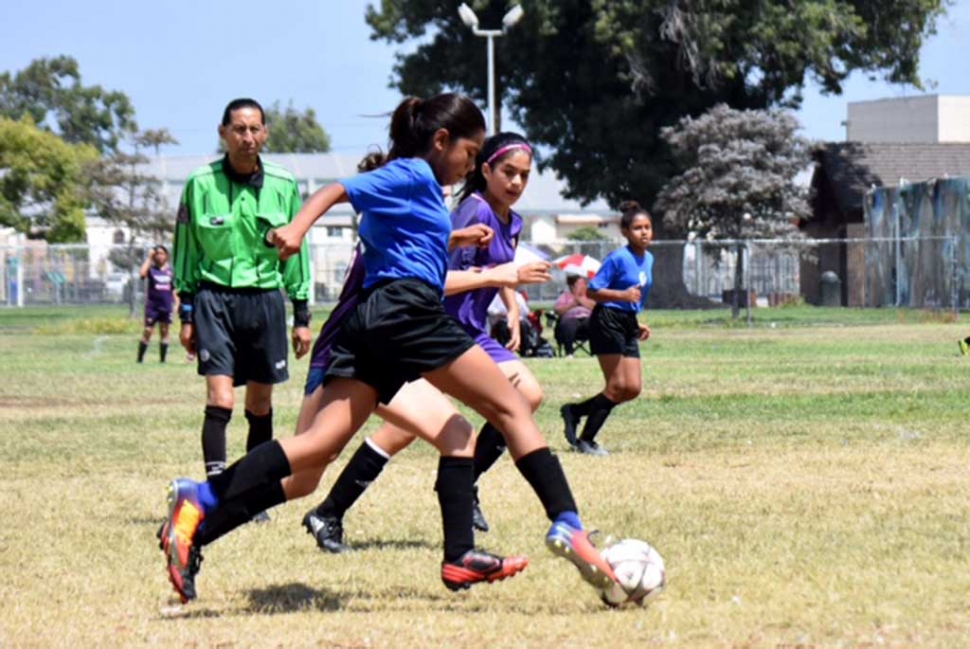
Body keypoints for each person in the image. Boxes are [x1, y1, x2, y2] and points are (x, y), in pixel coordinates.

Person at [158, 94, 616, 604]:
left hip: (377, 321)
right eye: (472, 151)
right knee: (512, 406)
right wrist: (296, 228)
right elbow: (337, 189)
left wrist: (454, 236)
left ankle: (199, 507)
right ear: (441, 141)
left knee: (328, 450)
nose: (472, 164)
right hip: (403, 313)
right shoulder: (414, 175)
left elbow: (405, 242)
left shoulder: (421, 192)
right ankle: (567, 523)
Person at [302, 132, 551, 551]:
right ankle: (332, 509)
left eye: (524, 175)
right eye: (508, 172)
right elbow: (437, 280)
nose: (516, 183)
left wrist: (510, 305)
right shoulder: (471, 211)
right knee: (395, 433)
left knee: (525, 395)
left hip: (468, 331)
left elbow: (498, 267)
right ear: (483, 169)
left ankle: (461, 481)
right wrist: (498, 279)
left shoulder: (511, 220)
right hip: (432, 329)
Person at [171, 98, 313, 501]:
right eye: (238, 129)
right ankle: (215, 492)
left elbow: (295, 252)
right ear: (223, 133)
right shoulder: (200, 184)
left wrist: (301, 314)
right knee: (220, 398)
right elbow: (186, 250)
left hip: (266, 302)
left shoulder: (284, 185)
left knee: (261, 402)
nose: (247, 137)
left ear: (264, 133)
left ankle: (252, 494)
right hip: (213, 300)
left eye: (254, 129)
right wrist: (186, 313)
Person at [560, 201, 654, 456]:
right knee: (615, 386)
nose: (644, 232)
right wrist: (621, 296)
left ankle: (575, 411)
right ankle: (585, 441)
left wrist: (635, 322)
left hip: (625, 322)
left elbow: (635, 297)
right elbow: (592, 291)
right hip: (606, 321)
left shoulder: (649, 259)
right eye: (637, 228)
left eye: (647, 227)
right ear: (625, 232)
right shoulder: (618, 258)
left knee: (632, 388)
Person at [137, 245, 176, 363]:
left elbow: (174, 290)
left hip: (166, 306)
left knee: (164, 331)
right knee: (148, 331)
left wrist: (177, 304)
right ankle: (140, 359)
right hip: (152, 306)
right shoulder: (151, 269)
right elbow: (142, 274)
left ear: (166, 256)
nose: (159, 256)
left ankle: (162, 360)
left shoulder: (170, 272)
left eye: (161, 253)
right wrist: (149, 257)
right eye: (157, 254)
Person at [552, 274, 595, 356]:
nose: (584, 286)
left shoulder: (589, 296)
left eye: (584, 284)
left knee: (595, 324)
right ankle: (569, 352)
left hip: (587, 319)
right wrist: (572, 304)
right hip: (570, 319)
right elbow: (558, 311)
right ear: (572, 286)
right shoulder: (565, 296)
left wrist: (581, 301)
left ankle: (595, 351)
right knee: (568, 324)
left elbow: (596, 308)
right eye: (580, 284)